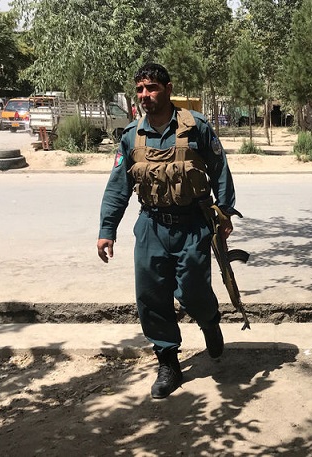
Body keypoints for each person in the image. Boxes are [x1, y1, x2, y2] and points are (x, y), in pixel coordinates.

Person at [97, 63, 240, 399]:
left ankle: (208, 321)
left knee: (193, 291)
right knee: (151, 297)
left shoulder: (197, 127)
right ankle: (167, 362)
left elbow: (220, 170)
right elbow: (119, 186)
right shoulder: (132, 135)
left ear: (168, 89)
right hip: (151, 225)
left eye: (151, 88)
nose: (145, 95)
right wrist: (107, 229)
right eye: (140, 89)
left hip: (192, 224)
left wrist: (225, 212)